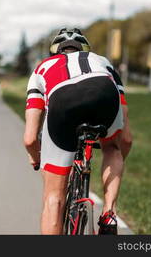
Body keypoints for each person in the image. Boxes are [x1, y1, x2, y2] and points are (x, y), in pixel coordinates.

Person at [23, 28, 132, 235]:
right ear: (85, 50)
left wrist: (36, 158)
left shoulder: (41, 68)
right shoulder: (102, 61)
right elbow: (126, 137)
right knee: (112, 147)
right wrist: (116, 154)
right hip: (103, 92)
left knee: (53, 198)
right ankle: (109, 211)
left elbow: (30, 138)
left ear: (55, 52)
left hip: (63, 102)